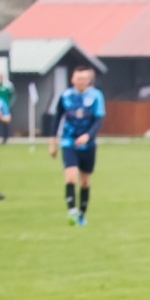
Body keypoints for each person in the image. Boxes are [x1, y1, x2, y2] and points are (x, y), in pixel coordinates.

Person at [50, 65, 106, 226]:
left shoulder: (96, 96)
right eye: (78, 78)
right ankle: (72, 211)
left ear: (88, 80)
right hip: (68, 141)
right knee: (70, 176)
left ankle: (82, 213)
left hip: (88, 145)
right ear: (73, 79)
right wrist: (52, 142)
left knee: (85, 181)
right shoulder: (65, 96)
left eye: (84, 79)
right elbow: (57, 119)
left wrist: (87, 136)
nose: (81, 81)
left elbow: (98, 120)